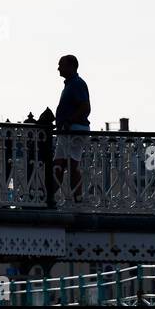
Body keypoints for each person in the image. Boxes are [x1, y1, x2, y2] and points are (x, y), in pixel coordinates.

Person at [52, 54, 90, 203]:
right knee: (59, 165)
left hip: (73, 131)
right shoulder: (72, 84)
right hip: (68, 131)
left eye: (61, 65)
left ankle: (76, 198)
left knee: (70, 165)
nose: (58, 68)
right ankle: (49, 197)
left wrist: (69, 120)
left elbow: (86, 107)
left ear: (71, 66)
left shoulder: (77, 84)